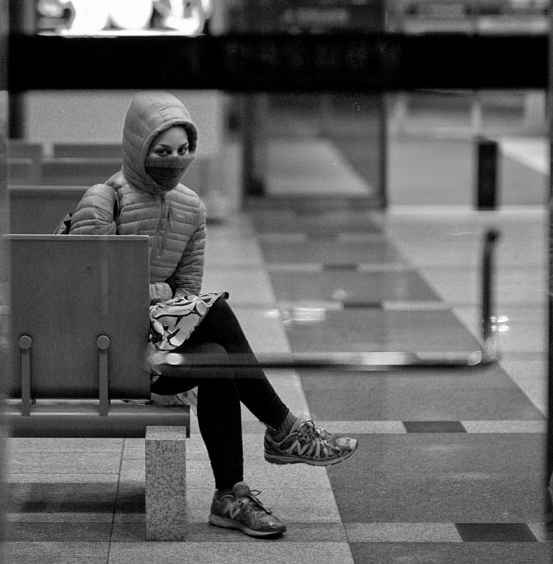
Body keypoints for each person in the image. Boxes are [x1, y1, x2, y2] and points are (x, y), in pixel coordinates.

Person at [67, 90, 358, 539]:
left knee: (218, 353)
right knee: (217, 314)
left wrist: (162, 296)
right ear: (137, 147)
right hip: (105, 356)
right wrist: (160, 292)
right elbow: (91, 296)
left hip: (157, 349)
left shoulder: (191, 208)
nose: (174, 160)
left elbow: (187, 297)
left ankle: (231, 495)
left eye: (184, 151)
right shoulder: (103, 201)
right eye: (162, 151)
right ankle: (283, 429)